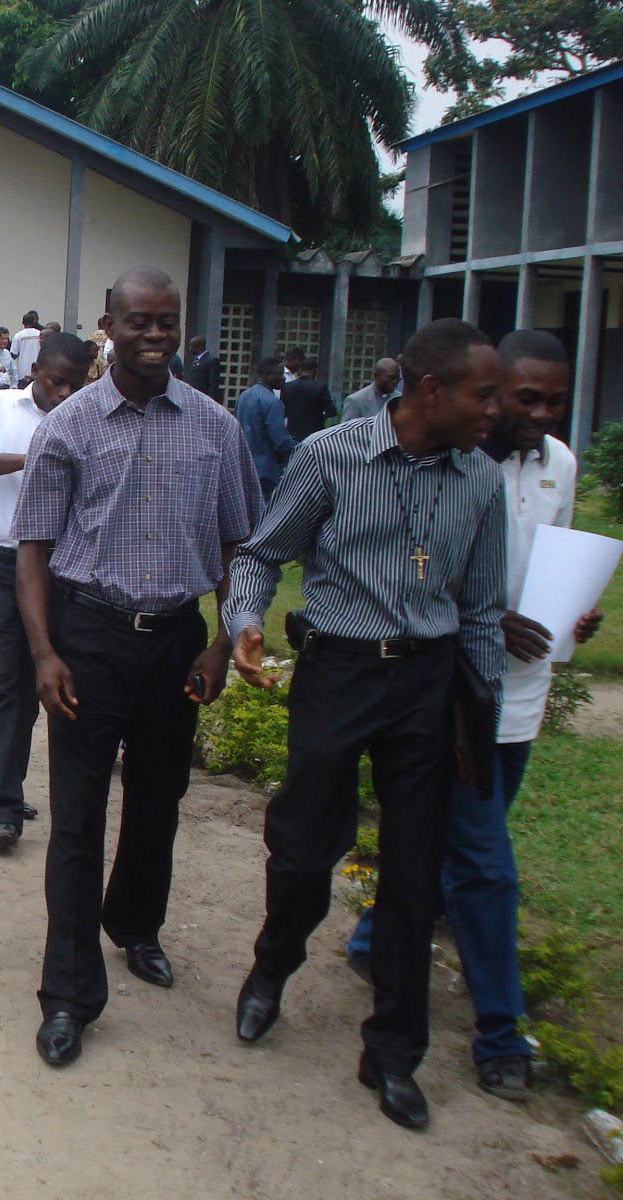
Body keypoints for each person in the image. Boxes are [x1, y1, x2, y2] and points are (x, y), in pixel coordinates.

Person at [224, 318, 508, 1131]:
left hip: (429, 682)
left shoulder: (480, 482)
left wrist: (474, 716)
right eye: (481, 394)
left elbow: (483, 609)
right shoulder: (332, 456)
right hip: (340, 672)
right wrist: (244, 620)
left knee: (415, 876)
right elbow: (259, 553)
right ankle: (273, 966)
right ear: (431, 392)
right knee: (307, 851)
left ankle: (393, 1051)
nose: (492, 410)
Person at [343, 329, 601, 1103]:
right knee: (488, 867)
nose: (535, 413)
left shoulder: (559, 466)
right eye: (519, 397)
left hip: (522, 693)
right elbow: (411, 579)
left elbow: (548, 558)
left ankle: (370, 938)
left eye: (553, 401)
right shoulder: (455, 461)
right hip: (451, 696)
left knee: (447, 851)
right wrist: (482, 621)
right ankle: (499, 1034)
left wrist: (572, 613)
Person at [13, 266, 261, 1068]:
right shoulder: (70, 426)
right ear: (107, 326)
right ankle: (68, 993)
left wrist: (224, 641)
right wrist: (45, 652)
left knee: (160, 801)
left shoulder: (217, 427)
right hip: (90, 638)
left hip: (178, 641)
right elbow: (34, 551)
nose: (154, 335)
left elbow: (237, 545)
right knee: (78, 820)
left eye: (167, 322)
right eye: (139, 321)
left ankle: (138, 926)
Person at [0, 333, 94, 851]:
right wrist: (33, 458)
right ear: (35, 369)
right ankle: (1, 808)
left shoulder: (85, 418)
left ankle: (4, 786)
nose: (64, 393)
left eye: (76, 385)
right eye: (57, 381)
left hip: (58, 564)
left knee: (38, 677)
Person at [235, 357, 297, 501]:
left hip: (243, 465)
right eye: (279, 374)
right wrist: (300, 448)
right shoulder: (272, 402)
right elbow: (280, 440)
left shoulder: (244, 396)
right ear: (267, 374)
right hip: (264, 469)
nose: (283, 378)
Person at [281, 356, 336, 440]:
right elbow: (331, 411)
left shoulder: (287, 387)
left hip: (293, 434)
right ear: (315, 371)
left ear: (300, 370)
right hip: (314, 435)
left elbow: (283, 411)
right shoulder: (320, 387)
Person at [343, 358, 401, 422]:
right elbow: (347, 430)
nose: (395, 382)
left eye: (397, 378)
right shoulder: (355, 401)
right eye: (391, 378)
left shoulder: (400, 399)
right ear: (376, 375)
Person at [182, 335, 222, 401]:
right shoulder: (196, 360)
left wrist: (209, 399)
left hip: (203, 398)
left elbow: (213, 384)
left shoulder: (211, 360)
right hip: (194, 397)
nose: (190, 348)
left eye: (192, 346)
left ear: (198, 347)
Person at [11, 311, 43, 383]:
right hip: (37, 371)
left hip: (23, 372)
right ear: (33, 322)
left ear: (23, 322)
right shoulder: (40, 334)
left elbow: (14, 355)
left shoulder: (18, 336)